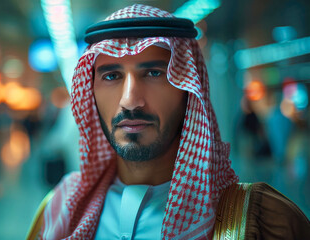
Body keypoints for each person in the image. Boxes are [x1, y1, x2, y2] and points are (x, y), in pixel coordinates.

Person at [27, 4, 310, 239]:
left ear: (188, 90)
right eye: (111, 76)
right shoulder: (58, 211)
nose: (130, 101)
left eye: (154, 73)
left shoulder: (259, 222)